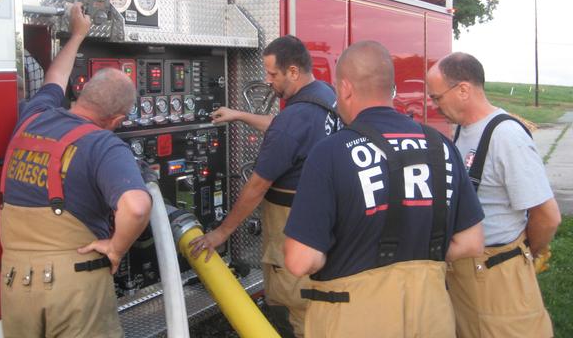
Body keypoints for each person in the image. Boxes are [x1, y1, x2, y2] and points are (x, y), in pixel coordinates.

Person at [284, 41, 485, 338]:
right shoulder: (441, 146)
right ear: (390, 88)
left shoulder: (330, 153)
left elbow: (300, 260)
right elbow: (471, 242)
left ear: (346, 88)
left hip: (353, 320)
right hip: (432, 317)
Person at [0, 3, 152, 338]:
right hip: (74, 288)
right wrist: (116, 247)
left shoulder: (34, 115)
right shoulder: (104, 145)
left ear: (82, 94)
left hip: (14, 283)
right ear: (116, 121)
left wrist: (78, 34)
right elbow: (137, 206)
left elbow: (55, 77)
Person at [189, 35, 339, 338]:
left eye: (273, 74)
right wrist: (240, 115)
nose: (268, 81)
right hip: (323, 218)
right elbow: (288, 128)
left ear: (293, 72)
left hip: (290, 222)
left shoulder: (293, 119)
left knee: (292, 302)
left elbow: (257, 186)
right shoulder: (325, 95)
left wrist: (222, 232)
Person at [427, 52, 561, 338]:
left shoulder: (506, 137)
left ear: (463, 89)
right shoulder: (462, 130)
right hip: (466, 277)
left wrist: (525, 252)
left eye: (437, 98)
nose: (435, 106)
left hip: (500, 278)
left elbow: (547, 217)